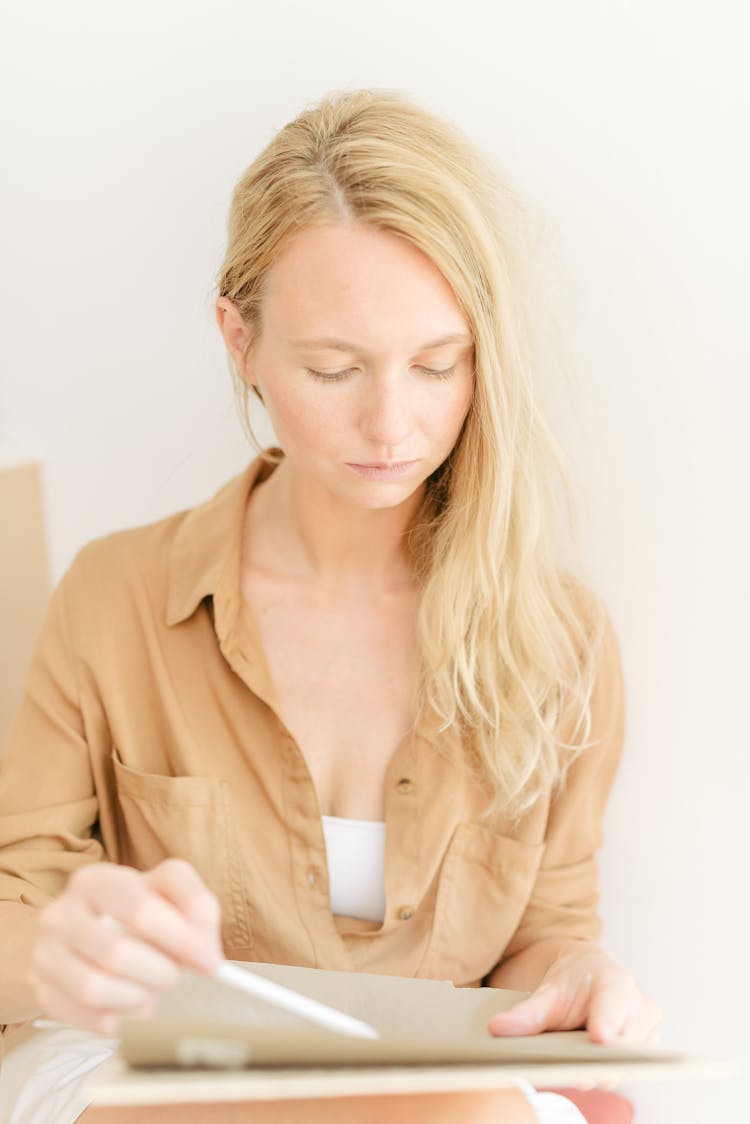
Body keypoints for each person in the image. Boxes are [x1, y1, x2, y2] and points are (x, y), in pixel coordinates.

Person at [0, 88, 661, 1123]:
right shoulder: (118, 595)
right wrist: (63, 951)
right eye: (333, 367)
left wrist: (577, 969)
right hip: (154, 1070)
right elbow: (13, 905)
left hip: (440, 1080)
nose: (391, 422)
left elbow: (546, 928)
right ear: (241, 340)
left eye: (438, 364)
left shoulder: (560, 636)